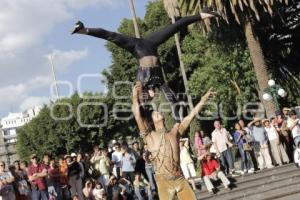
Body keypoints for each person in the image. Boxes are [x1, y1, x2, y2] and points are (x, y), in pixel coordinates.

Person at [72, 12, 217, 121]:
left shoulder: (140, 83)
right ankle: (83, 29)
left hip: (136, 46)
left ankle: (204, 13)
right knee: (175, 27)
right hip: (150, 44)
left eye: (150, 97)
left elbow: (137, 100)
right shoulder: (159, 83)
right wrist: (178, 121)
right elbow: (172, 99)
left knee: (112, 36)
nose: (154, 96)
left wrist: (140, 99)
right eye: (153, 96)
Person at [132, 82, 215, 200]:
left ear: (164, 118)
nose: (156, 112)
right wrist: (135, 96)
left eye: (158, 112)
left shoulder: (174, 133)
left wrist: (203, 100)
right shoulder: (149, 136)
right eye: (154, 113)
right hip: (163, 182)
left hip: (180, 179)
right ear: (151, 121)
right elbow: (137, 115)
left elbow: (190, 116)